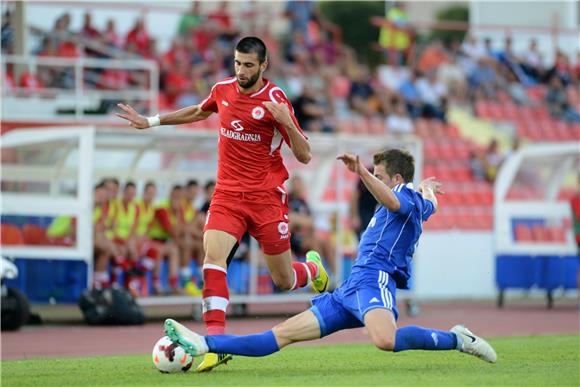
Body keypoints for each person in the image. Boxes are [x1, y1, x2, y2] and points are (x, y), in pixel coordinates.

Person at [163, 149, 498, 364]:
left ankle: (458, 339)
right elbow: (429, 202)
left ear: (396, 179)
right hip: (350, 288)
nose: (373, 182)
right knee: (282, 335)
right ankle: (208, 344)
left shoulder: (401, 195)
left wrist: (365, 175)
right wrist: (426, 188)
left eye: (379, 175)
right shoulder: (416, 197)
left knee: (386, 341)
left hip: (375, 280)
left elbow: (397, 201)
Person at [116, 36, 329, 372]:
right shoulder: (223, 89)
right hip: (227, 195)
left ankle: (313, 269)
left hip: (266, 199)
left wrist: (286, 121)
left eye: (248, 65)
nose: (241, 71)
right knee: (213, 260)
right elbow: (197, 111)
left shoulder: (276, 100)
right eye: (237, 63)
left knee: (284, 280)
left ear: (263, 66)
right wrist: (151, 121)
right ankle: (215, 344)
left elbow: (304, 155)